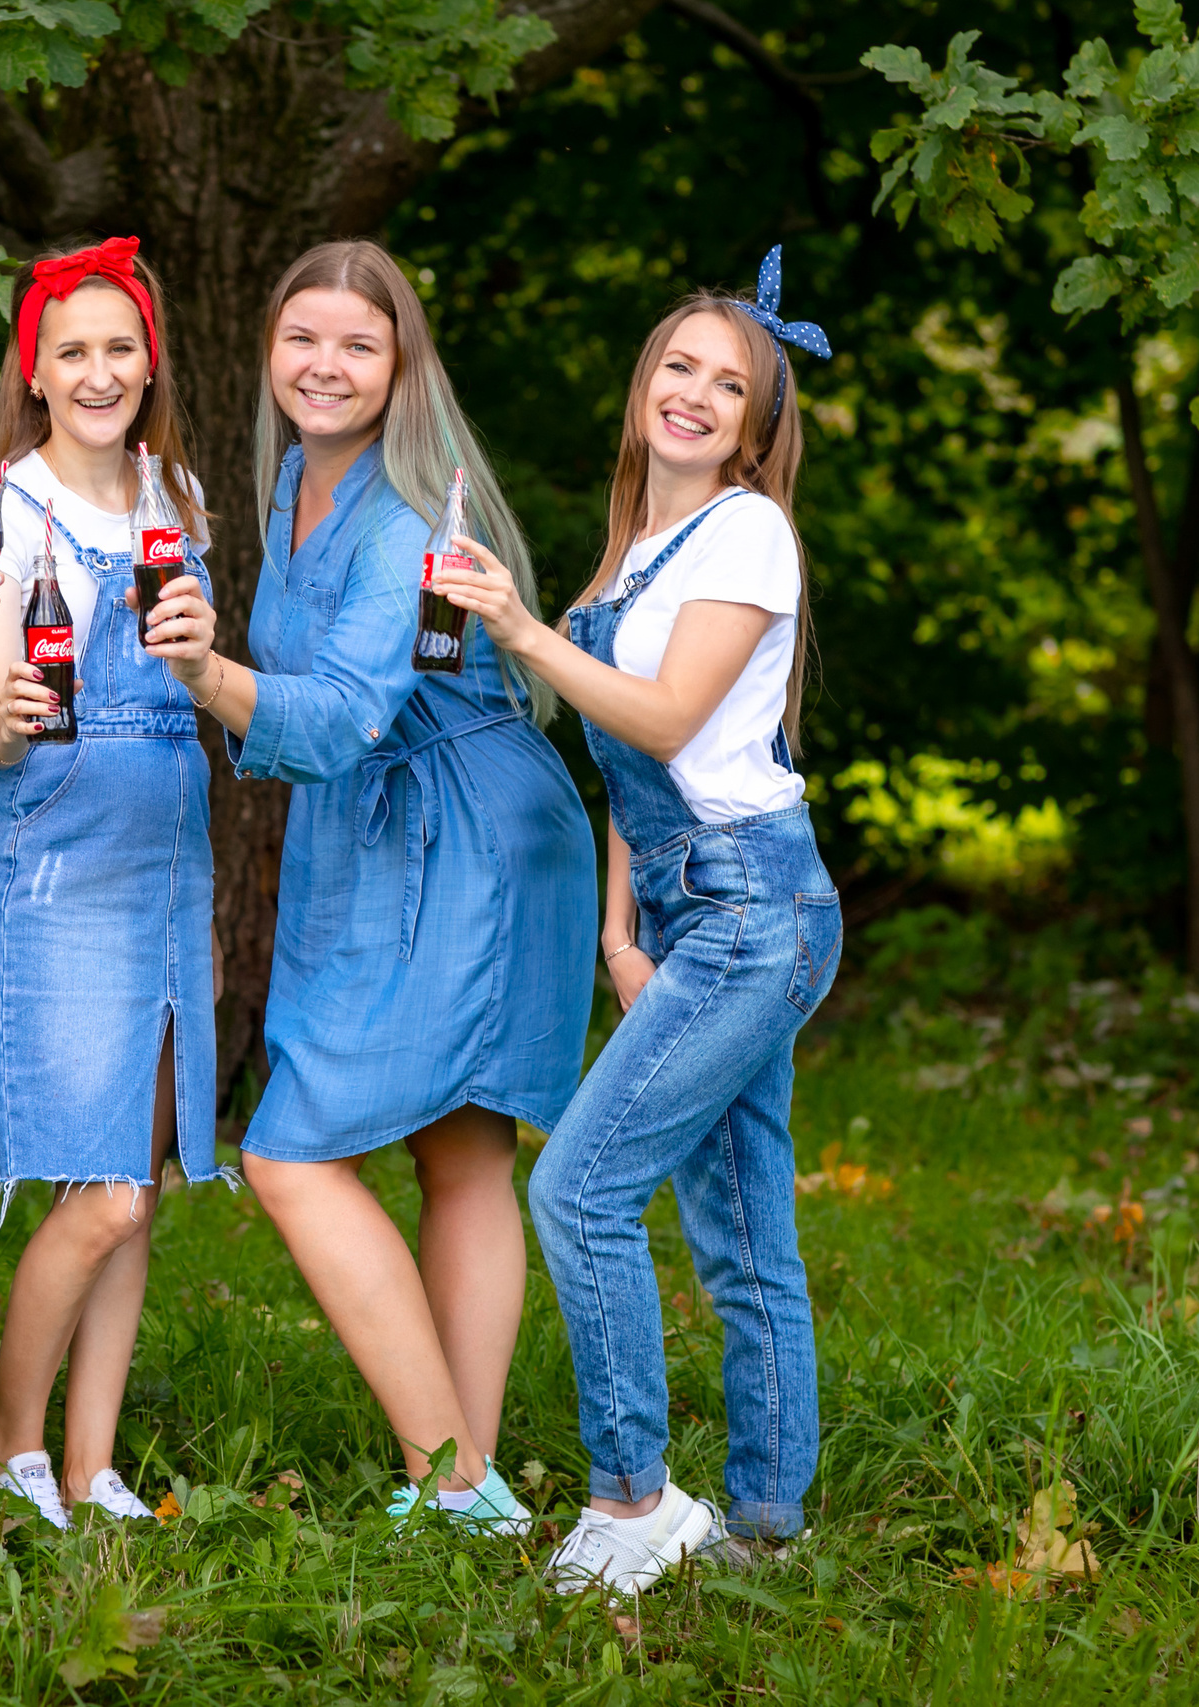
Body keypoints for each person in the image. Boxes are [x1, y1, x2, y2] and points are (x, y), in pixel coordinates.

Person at [161, 239, 597, 1528]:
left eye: (358, 343)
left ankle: (452, 1472)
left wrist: (207, 679)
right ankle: (468, 1480)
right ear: (268, 350)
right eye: (304, 338)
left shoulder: (406, 507)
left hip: (464, 834)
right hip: (401, 832)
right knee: (459, 1159)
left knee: (292, 1155)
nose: (326, 365)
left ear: (401, 363)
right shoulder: (298, 474)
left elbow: (350, 713)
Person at [435, 247, 843, 1593]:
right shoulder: (642, 542)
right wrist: (621, 928)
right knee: (738, 1224)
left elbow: (666, 717)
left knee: (579, 1183)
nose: (695, 394)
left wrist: (518, 624)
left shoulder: (746, 533)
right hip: (688, 905)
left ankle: (631, 1499)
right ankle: (769, 1520)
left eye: (729, 385)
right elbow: (628, 762)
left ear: (754, 425)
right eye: (679, 365)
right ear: (642, 385)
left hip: (756, 902)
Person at [0, 237, 226, 1529]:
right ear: (37, 372)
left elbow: (203, 669)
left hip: (172, 854)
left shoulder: (176, 489)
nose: (100, 368)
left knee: (140, 1181)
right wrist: (6, 708)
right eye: (73, 349)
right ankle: (12, 1452)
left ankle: (89, 1462)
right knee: (98, 1185)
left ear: (149, 361)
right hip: (58, 861)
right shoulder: (2, 503)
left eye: (120, 345)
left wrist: (206, 652)